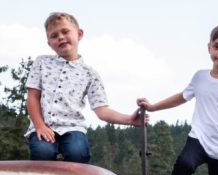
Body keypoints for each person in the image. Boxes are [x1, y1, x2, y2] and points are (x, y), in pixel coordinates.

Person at [137, 24, 218, 175]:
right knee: (184, 164)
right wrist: (153, 107)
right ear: (209, 48)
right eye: (217, 47)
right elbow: (181, 97)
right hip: (199, 138)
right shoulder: (200, 77)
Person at [25, 12, 142, 163]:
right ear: (49, 43)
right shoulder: (41, 63)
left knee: (77, 152)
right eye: (54, 35)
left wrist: (129, 120)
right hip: (43, 126)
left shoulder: (89, 74)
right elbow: (33, 96)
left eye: (65, 31)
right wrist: (40, 126)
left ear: (79, 34)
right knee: (43, 151)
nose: (60, 37)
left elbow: (102, 110)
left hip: (72, 127)